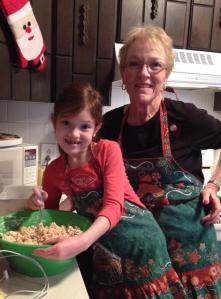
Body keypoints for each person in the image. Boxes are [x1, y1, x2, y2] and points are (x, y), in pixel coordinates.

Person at [26, 82, 187, 299]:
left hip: (140, 243)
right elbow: (50, 217)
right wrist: (36, 205)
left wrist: (81, 242)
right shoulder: (54, 170)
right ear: (54, 122)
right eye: (66, 123)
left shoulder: (107, 151)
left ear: (96, 128)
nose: (74, 133)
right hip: (104, 251)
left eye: (84, 126)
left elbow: (113, 205)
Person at [99, 25, 221, 297]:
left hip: (192, 262)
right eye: (134, 64)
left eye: (155, 65)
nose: (144, 73)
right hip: (136, 263)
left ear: (166, 75)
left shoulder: (185, 118)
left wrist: (213, 184)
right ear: (123, 74)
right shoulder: (109, 125)